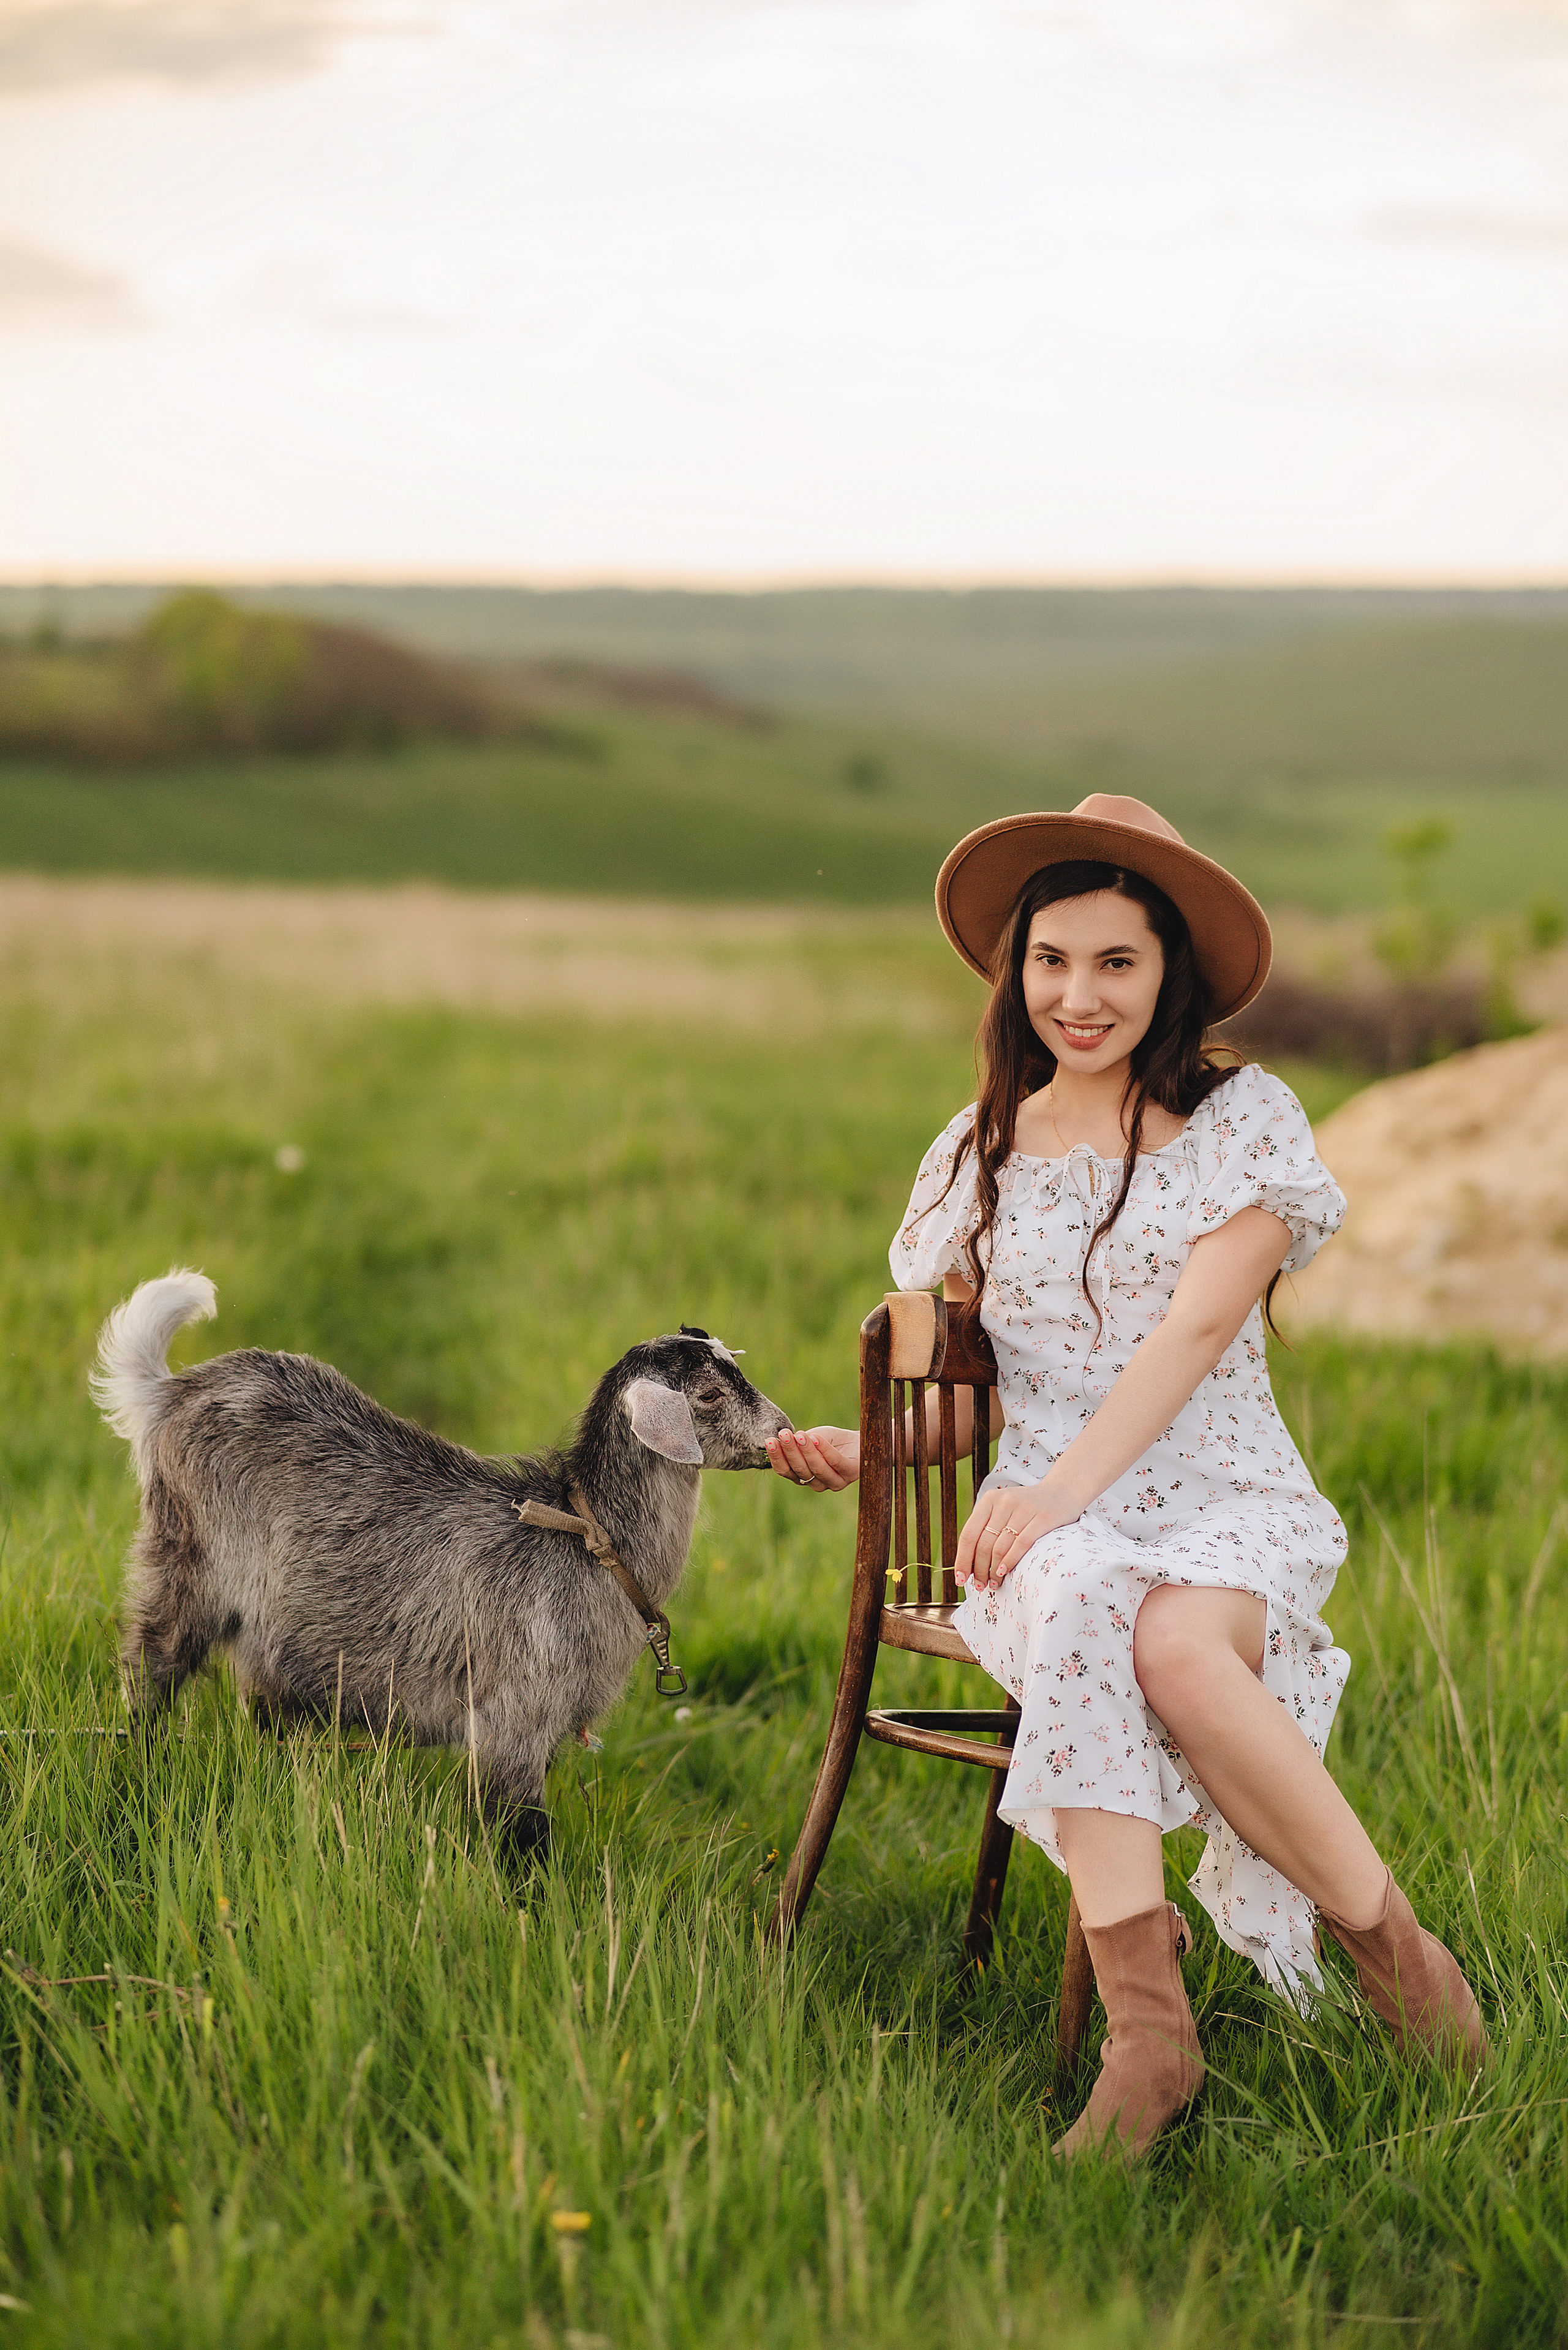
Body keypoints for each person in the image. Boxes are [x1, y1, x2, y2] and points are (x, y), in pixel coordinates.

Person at [765, 794, 1486, 2160]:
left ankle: (1403, 1967)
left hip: (1223, 1494)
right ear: (1014, 971)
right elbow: (974, 1392)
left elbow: (1194, 1332)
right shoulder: (976, 1152)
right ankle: (1151, 2042)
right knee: (1094, 1591)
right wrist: (880, 1450)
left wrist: (1057, 1491)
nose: (1078, 996)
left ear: (1168, 974)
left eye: (1115, 962)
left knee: (1166, 1632)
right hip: (1048, 1522)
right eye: (1051, 960)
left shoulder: (1242, 1122)